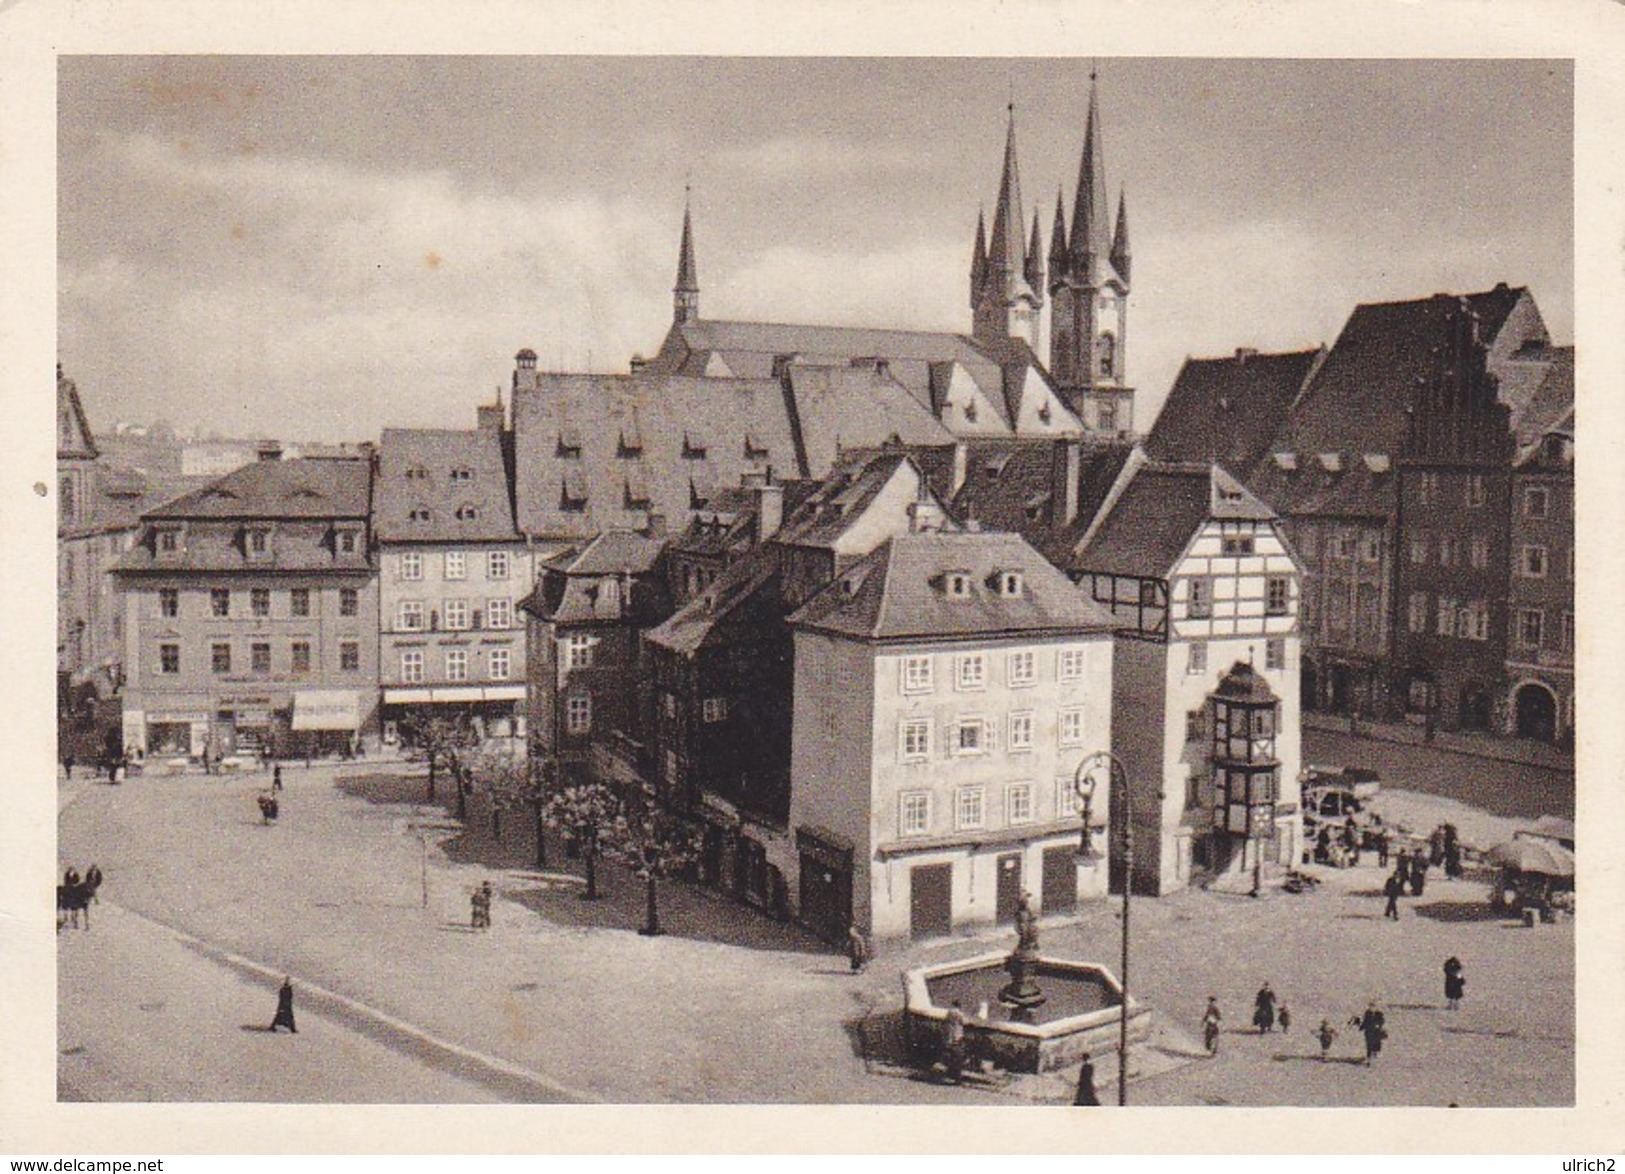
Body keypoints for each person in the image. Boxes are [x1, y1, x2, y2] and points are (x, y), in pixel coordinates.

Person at [941, 1001, 968, 1084]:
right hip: (957, 1036)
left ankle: (949, 1074)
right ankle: (956, 1078)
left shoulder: (949, 1012)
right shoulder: (959, 1014)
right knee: (957, 1058)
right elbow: (965, 1022)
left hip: (949, 1036)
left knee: (950, 1056)